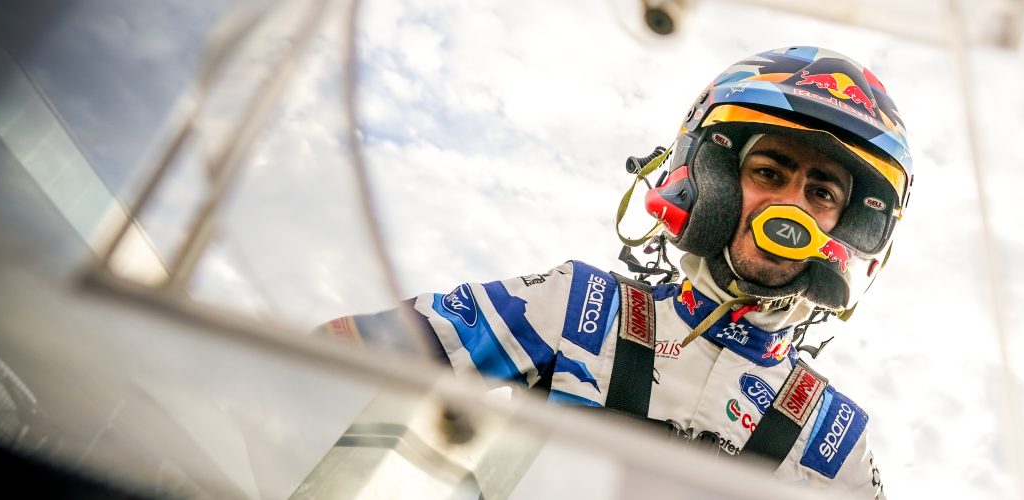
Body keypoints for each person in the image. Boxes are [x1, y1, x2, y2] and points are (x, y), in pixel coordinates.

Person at [320, 46, 913, 497]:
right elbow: (333, 359)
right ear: (714, 182)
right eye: (769, 172)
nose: (790, 207)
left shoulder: (836, 438)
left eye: (821, 193)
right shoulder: (576, 306)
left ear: (847, 230)